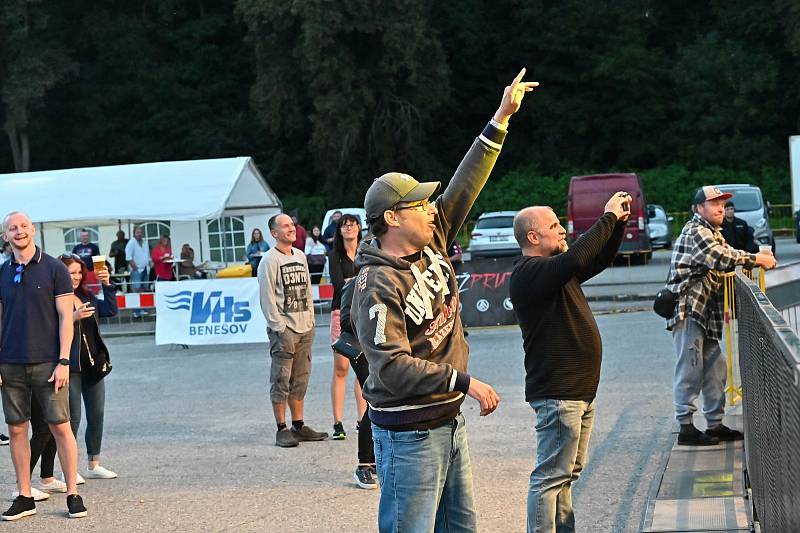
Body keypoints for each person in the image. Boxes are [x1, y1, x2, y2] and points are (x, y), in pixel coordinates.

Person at [350, 68, 537, 532]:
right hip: (410, 433)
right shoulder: (375, 285)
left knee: (462, 528)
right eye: (419, 203)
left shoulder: (430, 238)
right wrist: (463, 380)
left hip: (447, 421)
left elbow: (464, 185)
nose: (431, 206)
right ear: (392, 218)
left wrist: (501, 117)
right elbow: (390, 366)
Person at [509, 193, 630, 533]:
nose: (562, 230)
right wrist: (605, 217)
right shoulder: (529, 273)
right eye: (554, 225)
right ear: (533, 237)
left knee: (566, 474)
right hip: (559, 394)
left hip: (578, 392)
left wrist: (618, 224)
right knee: (550, 476)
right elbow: (577, 259)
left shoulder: (554, 271)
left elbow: (597, 258)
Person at [666, 186, 776, 446]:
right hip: (690, 309)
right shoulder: (697, 231)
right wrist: (756, 258)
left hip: (706, 312)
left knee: (716, 368)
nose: (720, 207)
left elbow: (726, 254)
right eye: (713, 203)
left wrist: (754, 256)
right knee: (690, 369)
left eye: (722, 203)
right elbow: (720, 258)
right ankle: (686, 428)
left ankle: (714, 424)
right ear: (698, 208)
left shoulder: (714, 233)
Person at [0, 211, 87, 520]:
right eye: (12, 228)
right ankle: (25, 496)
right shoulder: (2, 272)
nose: (19, 231)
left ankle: (73, 495)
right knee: (17, 428)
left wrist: (64, 360)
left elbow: (66, 318)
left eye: (23, 226)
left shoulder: (54, 269)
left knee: (60, 426)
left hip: (49, 362)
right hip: (10, 363)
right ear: (5, 236)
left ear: (33, 230)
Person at [257, 214, 328, 448]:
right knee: (281, 379)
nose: (291, 228)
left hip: (305, 327)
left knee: (301, 379)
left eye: (292, 225)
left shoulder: (300, 256)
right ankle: (281, 428)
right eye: (285, 226)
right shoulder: (269, 260)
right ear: (274, 233)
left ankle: (299, 425)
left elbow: (307, 288)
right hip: (285, 329)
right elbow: (267, 298)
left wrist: (311, 321)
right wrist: (279, 326)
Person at [58, 254, 118, 479]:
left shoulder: (86, 295)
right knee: (72, 419)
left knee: (97, 415)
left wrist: (107, 284)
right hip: (69, 366)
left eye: (78, 273)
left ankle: (94, 464)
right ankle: (68, 470)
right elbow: (48, 328)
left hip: (93, 364)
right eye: (70, 272)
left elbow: (110, 310)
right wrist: (72, 316)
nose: (75, 277)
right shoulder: (54, 298)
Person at [328, 215, 366, 442]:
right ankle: (337, 421)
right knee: (341, 368)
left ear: (359, 227)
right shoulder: (334, 256)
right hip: (340, 313)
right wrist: (361, 279)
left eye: (352, 223)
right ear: (339, 230)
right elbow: (338, 283)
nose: (348, 227)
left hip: (364, 312)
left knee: (363, 367)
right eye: (344, 224)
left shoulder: (367, 250)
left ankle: (363, 419)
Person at [337, 279, 378, 489]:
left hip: (385, 348)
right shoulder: (355, 283)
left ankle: (380, 458)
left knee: (388, 401)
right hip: (362, 349)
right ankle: (364, 464)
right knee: (375, 400)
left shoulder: (390, 276)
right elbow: (345, 320)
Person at [125, 226, 151, 318]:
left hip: (145, 269)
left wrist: (149, 263)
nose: (139, 234)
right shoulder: (131, 243)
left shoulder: (145, 242)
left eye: (140, 232)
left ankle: (142, 309)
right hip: (136, 270)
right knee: (136, 289)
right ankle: (136, 311)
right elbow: (128, 257)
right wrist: (135, 268)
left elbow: (147, 254)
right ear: (134, 233)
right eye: (137, 232)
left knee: (144, 289)